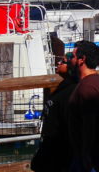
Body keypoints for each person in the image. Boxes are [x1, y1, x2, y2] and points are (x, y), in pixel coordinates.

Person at [31, 38, 77, 172]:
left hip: (59, 144)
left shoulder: (72, 90)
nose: (59, 63)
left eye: (63, 62)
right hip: (49, 141)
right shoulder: (62, 86)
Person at [67, 41, 99, 172]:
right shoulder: (97, 81)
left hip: (89, 159)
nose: (70, 59)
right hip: (95, 155)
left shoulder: (87, 88)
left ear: (82, 59)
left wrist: (86, 156)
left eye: (73, 56)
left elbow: (89, 125)